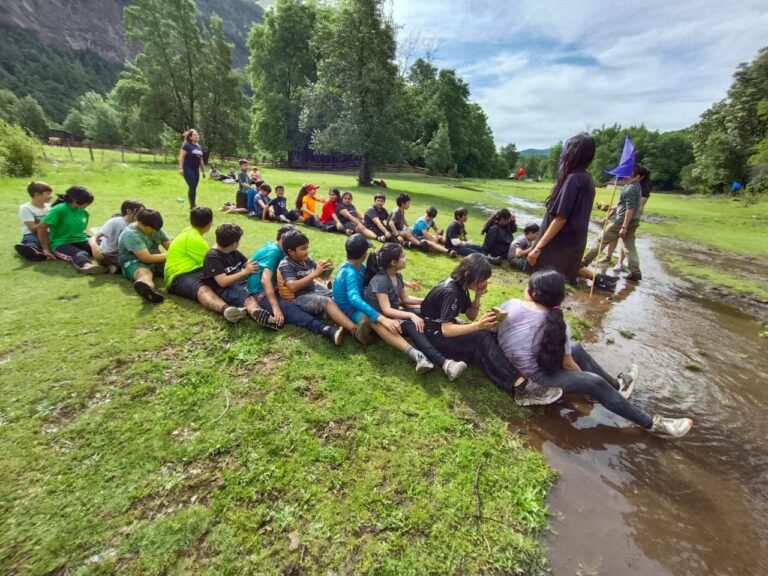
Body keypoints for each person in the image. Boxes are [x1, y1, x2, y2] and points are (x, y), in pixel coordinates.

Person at [496, 270, 693, 437]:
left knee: (575, 348)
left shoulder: (511, 303)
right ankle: (652, 424)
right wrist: (584, 379)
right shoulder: (556, 323)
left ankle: (617, 387)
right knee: (593, 381)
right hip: (532, 380)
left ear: (531, 293)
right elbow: (568, 366)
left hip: (519, 365)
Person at [420, 253, 562, 406]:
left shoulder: (462, 287)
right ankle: (521, 386)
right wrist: (478, 326)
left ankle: (507, 373)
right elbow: (446, 330)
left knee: (486, 335)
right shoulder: (451, 292)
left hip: (441, 331)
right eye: (482, 279)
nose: (484, 283)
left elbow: (471, 315)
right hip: (435, 337)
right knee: (482, 338)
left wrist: (478, 297)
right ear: (468, 274)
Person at [363, 243, 467, 381]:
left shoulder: (397, 276)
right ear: (393, 262)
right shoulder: (380, 280)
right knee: (412, 325)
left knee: (423, 310)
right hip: (383, 321)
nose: (406, 258)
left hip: (394, 313)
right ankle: (446, 364)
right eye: (403, 256)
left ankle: (451, 321)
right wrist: (411, 315)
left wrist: (426, 301)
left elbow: (405, 299)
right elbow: (386, 309)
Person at [332, 234, 435, 373]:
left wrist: (405, 283)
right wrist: (381, 318)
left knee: (390, 305)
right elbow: (354, 299)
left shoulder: (358, 266)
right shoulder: (349, 273)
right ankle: (360, 332)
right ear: (363, 253)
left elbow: (378, 274)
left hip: (364, 301)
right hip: (351, 310)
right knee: (374, 318)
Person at [526, 133, 615, 289]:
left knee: (543, 287)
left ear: (573, 153)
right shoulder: (587, 178)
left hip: (559, 246)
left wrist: (538, 248)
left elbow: (561, 218)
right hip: (573, 244)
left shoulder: (573, 179)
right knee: (556, 288)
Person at [247, 226, 345, 344]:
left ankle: (328, 317)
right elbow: (265, 280)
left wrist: (321, 277)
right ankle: (324, 328)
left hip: (283, 287)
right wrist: (276, 308)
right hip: (263, 291)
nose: (306, 250)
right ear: (285, 240)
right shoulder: (275, 252)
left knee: (326, 297)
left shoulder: (281, 249)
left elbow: (251, 261)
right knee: (291, 309)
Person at [277, 231, 371, 343]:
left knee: (337, 297)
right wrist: (315, 273)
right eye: (303, 249)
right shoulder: (285, 264)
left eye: (307, 247)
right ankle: (354, 330)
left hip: (314, 289)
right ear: (291, 251)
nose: (307, 252)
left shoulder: (306, 260)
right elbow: (292, 287)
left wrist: (325, 269)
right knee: (327, 302)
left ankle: (352, 318)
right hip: (299, 298)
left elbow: (322, 276)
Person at [164, 206, 247, 323]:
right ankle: (226, 309)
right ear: (210, 224)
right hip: (180, 275)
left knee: (217, 281)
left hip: (194, 269)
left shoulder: (189, 232)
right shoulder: (195, 240)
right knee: (203, 288)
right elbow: (216, 260)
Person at [202, 223, 277, 328]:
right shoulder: (212, 257)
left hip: (241, 282)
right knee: (248, 297)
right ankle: (259, 314)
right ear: (233, 243)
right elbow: (222, 282)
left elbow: (248, 263)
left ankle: (247, 310)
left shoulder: (232, 251)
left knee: (259, 289)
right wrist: (245, 272)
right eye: (238, 241)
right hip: (225, 288)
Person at [582, 166, 648, 282]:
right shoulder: (635, 186)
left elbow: (629, 208)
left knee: (601, 239)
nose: (625, 173)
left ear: (637, 176)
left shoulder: (631, 188)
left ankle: (583, 263)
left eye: (630, 172)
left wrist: (624, 226)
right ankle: (635, 273)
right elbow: (621, 204)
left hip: (621, 221)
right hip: (632, 221)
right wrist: (608, 209)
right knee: (629, 247)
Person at [38, 186, 108, 274]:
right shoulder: (59, 209)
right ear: (74, 199)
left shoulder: (84, 212)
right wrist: (46, 248)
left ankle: (112, 264)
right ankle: (86, 266)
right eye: (85, 202)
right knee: (79, 253)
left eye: (88, 202)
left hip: (81, 240)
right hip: (61, 243)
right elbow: (42, 227)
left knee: (103, 247)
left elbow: (82, 231)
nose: (86, 205)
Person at [117, 208, 171, 303]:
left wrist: (174, 254)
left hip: (156, 259)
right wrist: (171, 255)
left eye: (156, 229)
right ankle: (148, 290)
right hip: (133, 261)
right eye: (151, 228)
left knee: (174, 266)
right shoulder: (131, 234)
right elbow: (146, 258)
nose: (154, 231)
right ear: (140, 222)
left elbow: (170, 247)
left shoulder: (155, 228)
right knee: (144, 273)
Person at [95, 200, 144, 269]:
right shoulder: (116, 221)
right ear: (129, 211)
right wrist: (95, 247)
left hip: (124, 252)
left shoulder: (138, 224)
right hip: (111, 253)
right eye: (139, 212)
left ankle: (114, 267)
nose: (142, 215)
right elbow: (97, 235)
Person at [15, 181, 53, 261]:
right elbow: (32, 228)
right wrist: (47, 221)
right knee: (32, 241)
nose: (51, 196)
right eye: (48, 194)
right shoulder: (26, 208)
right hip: (32, 234)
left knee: (52, 239)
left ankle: (36, 252)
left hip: (48, 233)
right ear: (36, 195)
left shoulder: (49, 207)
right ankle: (31, 250)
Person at [178, 129, 205, 208]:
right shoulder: (186, 145)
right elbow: (181, 157)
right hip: (187, 168)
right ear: (190, 137)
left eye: (197, 134)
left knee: (194, 187)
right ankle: (193, 206)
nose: (197, 136)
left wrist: (203, 171)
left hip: (195, 169)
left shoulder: (199, 147)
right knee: (192, 186)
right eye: (195, 135)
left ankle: (193, 204)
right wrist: (181, 168)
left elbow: (201, 160)